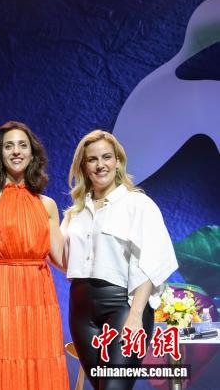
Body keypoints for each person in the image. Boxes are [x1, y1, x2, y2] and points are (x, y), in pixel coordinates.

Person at [62, 130, 178, 390]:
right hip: (80, 311)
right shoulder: (75, 212)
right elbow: (62, 259)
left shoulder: (138, 204)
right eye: (92, 159)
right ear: (83, 166)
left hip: (123, 307)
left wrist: (136, 315)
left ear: (118, 161)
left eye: (106, 157)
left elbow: (152, 262)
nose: (100, 165)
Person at [0, 121, 69, 390]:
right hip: (2, 293)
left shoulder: (47, 205)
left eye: (23, 145)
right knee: (3, 367)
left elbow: (62, 259)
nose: (16, 151)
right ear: (0, 153)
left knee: (42, 368)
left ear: (32, 153)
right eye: (9, 146)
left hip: (41, 298)